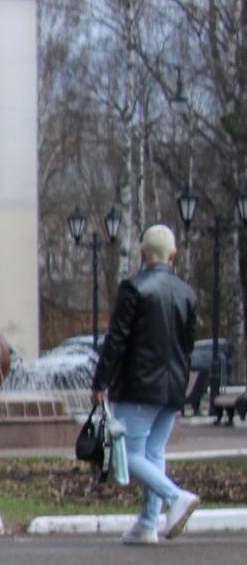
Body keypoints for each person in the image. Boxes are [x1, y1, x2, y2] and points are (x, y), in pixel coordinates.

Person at [92, 223, 203, 543]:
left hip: (139, 385)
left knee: (126, 451)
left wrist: (100, 382)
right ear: (174, 254)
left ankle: (175, 497)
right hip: (173, 387)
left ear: (142, 253)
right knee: (153, 454)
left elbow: (116, 340)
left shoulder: (134, 287)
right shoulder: (187, 293)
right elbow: (189, 342)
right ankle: (147, 525)